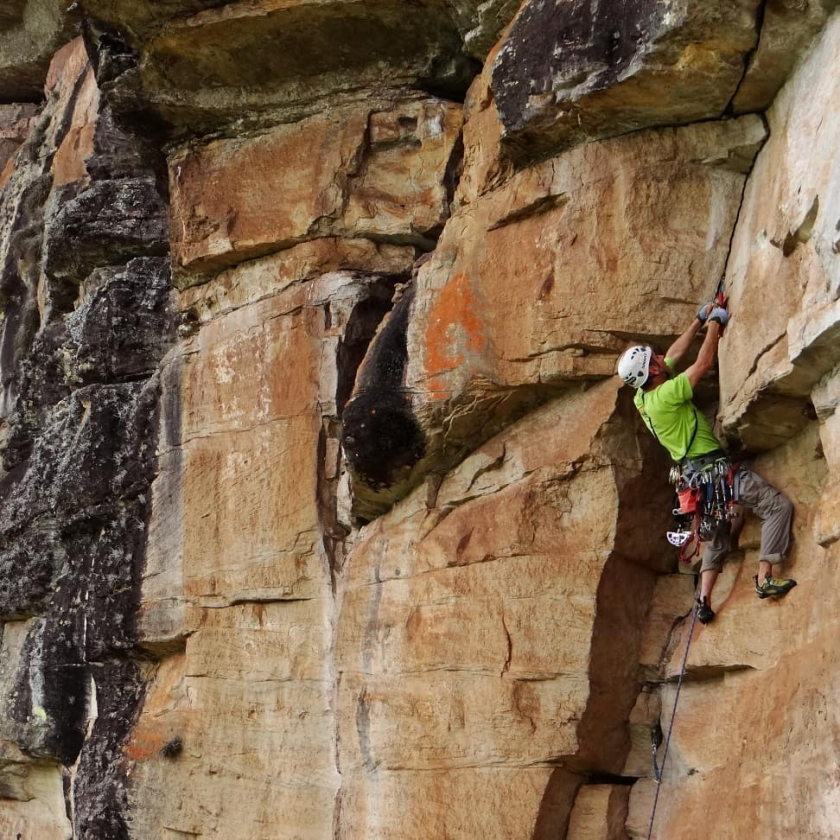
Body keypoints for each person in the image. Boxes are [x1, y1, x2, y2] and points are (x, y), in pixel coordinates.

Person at [616, 304, 796, 624]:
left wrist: (698, 320)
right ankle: (765, 576)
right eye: (656, 359)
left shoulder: (642, 398)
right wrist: (715, 323)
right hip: (715, 472)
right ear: (652, 372)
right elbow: (703, 362)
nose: (661, 358)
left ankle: (703, 599)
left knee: (718, 532)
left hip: (694, 479)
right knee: (776, 506)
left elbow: (674, 354)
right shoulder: (668, 394)